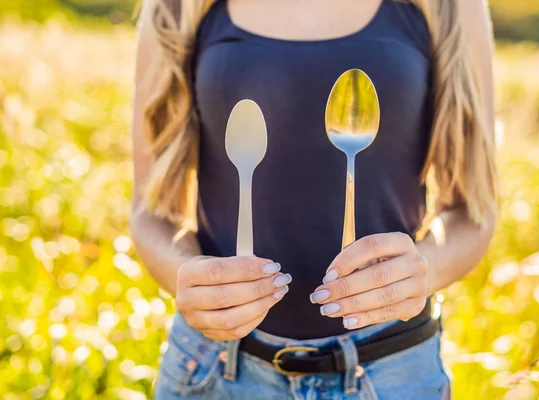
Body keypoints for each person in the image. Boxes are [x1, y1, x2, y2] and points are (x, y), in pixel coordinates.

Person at [130, 0, 498, 398]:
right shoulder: (175, 6)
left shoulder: (451, 6)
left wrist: (424, 269)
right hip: (215, 371)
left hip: (394, 374)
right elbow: (151, 212)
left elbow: (473, 211)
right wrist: (187, 275)